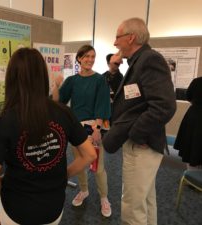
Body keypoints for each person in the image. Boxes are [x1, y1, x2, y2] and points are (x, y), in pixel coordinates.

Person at [0, 48, 97, 225]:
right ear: (43, 76)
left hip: (17, 209)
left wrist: (3, 183)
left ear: (11, 79)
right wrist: (63, 176)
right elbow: (90, 155)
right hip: (53, 207)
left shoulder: (4, 122)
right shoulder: (64, 113)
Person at [102, 18, 176, 225]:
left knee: (133, 206)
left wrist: (136, 134)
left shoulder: (149, 59)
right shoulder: (139, 61)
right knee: (145, 201)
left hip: (142, 144)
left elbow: (164, 106)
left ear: (131, 37)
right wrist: (115, 72)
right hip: (142, 143)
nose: (115, 43)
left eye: (118, 37)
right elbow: (130, 96)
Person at [52, 45, 112, 217]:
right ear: (79, 58)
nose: (90, 60)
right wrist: (56, 86)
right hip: (76, 128)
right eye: (86, 56)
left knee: (98, 166)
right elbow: (58, 101)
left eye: (93, 56)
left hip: (93, 127)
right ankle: (84, 191)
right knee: (80, 163)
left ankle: (104, 198)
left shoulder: (100, 80)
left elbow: (102, 104)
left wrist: (98, 129)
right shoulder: (72, 81)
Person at [174, 77, 202, 170]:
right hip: (196, 116)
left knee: (192, 144)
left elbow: (188, 96)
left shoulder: (197, 81)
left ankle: (191, 177)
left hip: (195, 115)